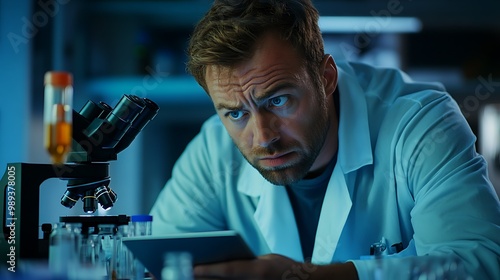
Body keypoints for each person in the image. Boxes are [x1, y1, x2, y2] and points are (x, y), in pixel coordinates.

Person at [150, 0, 500, 279]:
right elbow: (155, 262)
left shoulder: (421, 124)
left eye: (278, 100)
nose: (263, 137)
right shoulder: (213, 150)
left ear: (326, 77)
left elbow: (479, 264)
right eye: (235, 113)